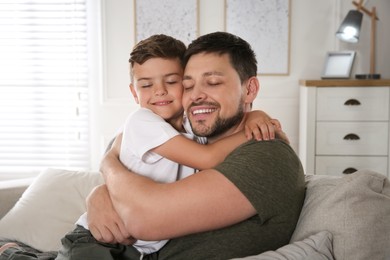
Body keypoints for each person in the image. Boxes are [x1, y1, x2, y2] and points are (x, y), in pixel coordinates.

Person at [0, 33, 286, 259]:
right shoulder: (146, 122)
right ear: (134, 92)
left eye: (173, 82)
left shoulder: (196, 128)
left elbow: (141, 209)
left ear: (250, 89)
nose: (160, 91)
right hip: (98, 240)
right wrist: (260, 128)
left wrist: (257, 116)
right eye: (189, 85)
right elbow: (205, 157)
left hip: (135, 248)